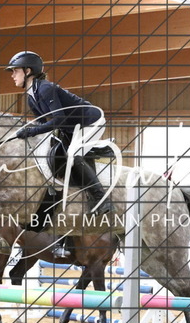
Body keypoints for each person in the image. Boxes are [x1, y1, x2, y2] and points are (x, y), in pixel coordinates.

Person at [6, 51, 113, 257]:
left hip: (91, 121)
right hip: (71, 128)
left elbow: (58, 120)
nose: (12, 75)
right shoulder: (31, 96)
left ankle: (101, 198)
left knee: (72, 154)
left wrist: (31, 131)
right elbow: (45, 126)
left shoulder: (45, 88)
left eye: (15, 71)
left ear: (28, 71)